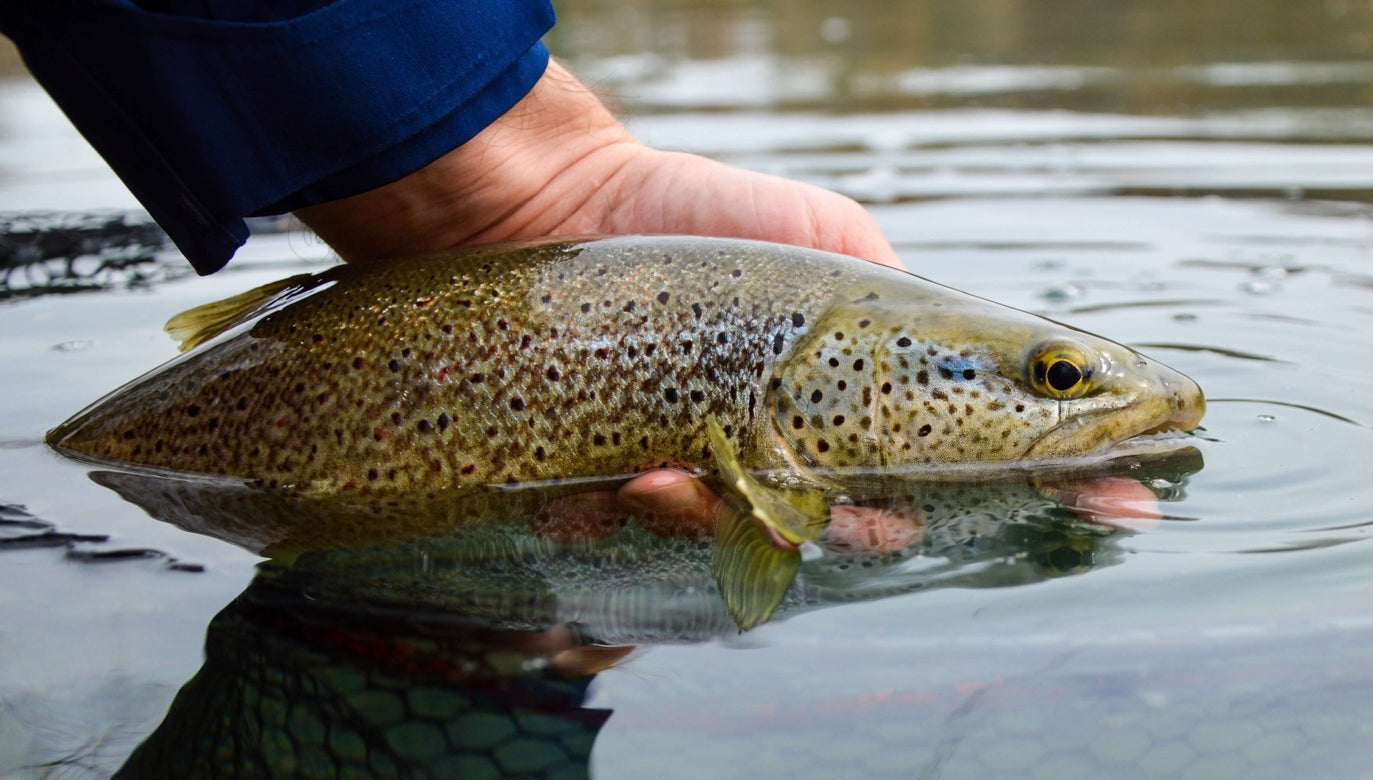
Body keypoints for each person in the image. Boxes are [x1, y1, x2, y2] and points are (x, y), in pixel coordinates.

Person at [0, 0, 1153, 538]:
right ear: (846, 377)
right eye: (1049, 378)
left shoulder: (806, 335)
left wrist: (526, 182)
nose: (1074, 396)